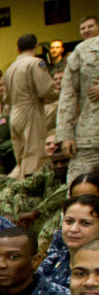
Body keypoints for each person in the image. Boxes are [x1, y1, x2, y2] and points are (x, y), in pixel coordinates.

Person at [4, 34, 59, 177]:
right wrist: (61, 94)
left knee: (21, 156)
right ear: (36, 45)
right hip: (30, 109)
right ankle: (31, 188)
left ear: (18, 49)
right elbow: (46, 90)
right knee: (34, 154)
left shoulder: (9, 69)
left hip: (14, 113)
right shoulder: (35, 63)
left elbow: (5, 98)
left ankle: (21, 184)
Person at [58, 26, 99, 181]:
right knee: (78, 186)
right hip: (89, 136)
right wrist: (65, 134)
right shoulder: (84, 50)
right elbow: (68, 93)